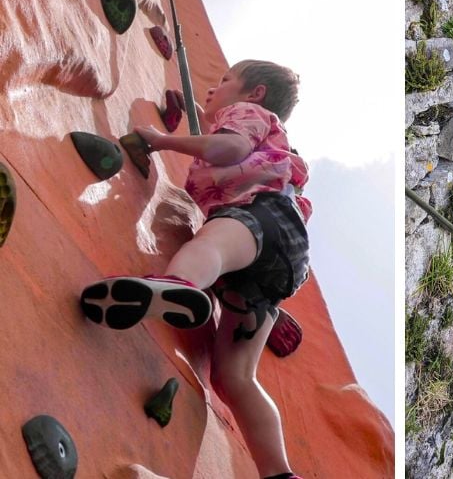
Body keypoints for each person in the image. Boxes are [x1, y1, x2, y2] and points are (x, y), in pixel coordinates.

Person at [80, 60, 311, 479]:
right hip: (279, 265)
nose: (212, 90)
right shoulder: (276, 143)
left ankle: (178, 284)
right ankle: (279, 473)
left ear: (254, 93)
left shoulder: (247, 115)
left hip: (259, 215)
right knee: (235, 377)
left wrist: (162, 140)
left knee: (213, 244)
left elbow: (230, 150)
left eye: (224, 81)